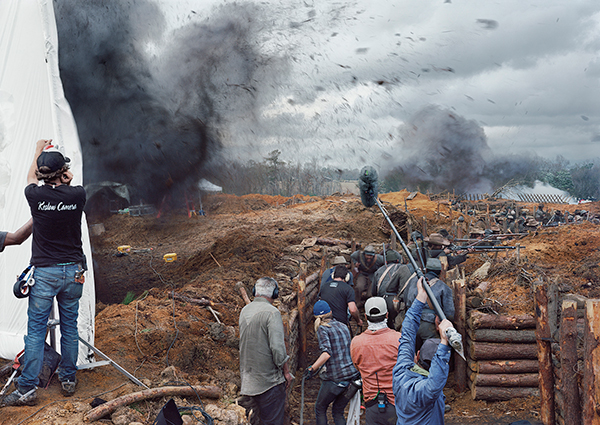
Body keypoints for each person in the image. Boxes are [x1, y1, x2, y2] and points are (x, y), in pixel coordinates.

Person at [2, 140, 87, 408]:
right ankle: (69, 378)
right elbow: (67, 181)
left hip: (45, 274)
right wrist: (66, 175)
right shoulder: (78, 195)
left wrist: (36, 151)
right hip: (73, 272)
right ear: (64, 172)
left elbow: (30, 177)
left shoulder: (35, 196)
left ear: (41, 176)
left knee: (36, 333)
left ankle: (27, 389)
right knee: (70, 327)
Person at [392, 277, 453, 424]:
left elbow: (407, 333)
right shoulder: (425, 391)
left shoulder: (400, 370)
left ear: (418, 355)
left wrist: (420, 297)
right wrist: (444, 342)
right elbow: (435, 383)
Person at [239, 277, 294, 425]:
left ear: (255, 291)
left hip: (248, 382)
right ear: (275, 293)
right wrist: (286, 372)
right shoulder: (272, 313)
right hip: (269, 383)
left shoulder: (245, 311)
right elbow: (277, 348)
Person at [306, 300, 360, 425]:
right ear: (330, 312)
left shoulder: (322, 329)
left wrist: (311, 369)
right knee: (337, 411)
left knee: (320, 408)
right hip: (351, 378)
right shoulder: (343, 326)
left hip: (335, 379)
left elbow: (326, 354)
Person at [350, 297, 401, 425]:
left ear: (366, 317)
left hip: (371, 402)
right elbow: (410, 365)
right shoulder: (399, 339)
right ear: (387, 315)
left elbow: (357, 367)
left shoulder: (356, 342)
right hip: (397, 402)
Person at [402, 258, 454, 350]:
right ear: (440, 271)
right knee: (429, 353)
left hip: (411, 322)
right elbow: (449, 313)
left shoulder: (413, 281)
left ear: (426, 270)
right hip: (430, 324)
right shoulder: (443, 287)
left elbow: (405, 300)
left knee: (411, 352)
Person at [372, 250, 414, 330]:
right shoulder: (402, 268)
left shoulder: (378, 271)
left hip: (382, 301)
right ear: (398, 260)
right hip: (396, 301)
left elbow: (374, 292)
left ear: (386, 261)